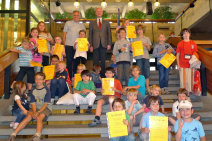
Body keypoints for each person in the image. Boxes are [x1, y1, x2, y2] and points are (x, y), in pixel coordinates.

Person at [9, 72, 51, 141]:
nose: (38, 81)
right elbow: (33, 103)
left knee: (39, 117)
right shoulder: (33, 90)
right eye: (36, 79)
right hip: (35, 108)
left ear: (44, 80)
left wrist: (38, 112)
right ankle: (14, 134)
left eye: (40, 79)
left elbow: (46, 103)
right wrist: (34, 112)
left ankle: (37, 136)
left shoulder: (47, 90)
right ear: (34, 80)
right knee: (28, 116)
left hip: (45, 108)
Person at [89, 7, 112, 76]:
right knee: (95, 62)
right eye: (97, 11)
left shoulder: (107, 22)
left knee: (103, 62)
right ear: (96, 13)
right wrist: (90, 45)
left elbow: (109, 34)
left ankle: (102, 77)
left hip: (104, 44)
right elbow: (90, 35)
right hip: (95, 45)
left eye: (100, 11)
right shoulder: (91, 23)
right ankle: (95, 77)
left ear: (102, 13)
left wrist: (109, 44)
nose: (99, 12)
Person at [63, 10, 86, 78]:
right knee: (69, 63)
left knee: (76, 63)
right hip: (69, 45)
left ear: (79, 16)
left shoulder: (82, 25)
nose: (76, 16)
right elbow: (64, 34)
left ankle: (76, 78)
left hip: (78, 47)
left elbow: (84, 36)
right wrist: (64, 46)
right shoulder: (68, 23)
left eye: (77, 15)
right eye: (74, 15)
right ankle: (69, 78)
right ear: (72, 16)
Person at [176, 28, 197, 95]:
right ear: (182, 35)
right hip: (182, 65)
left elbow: (195, 54)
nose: (186, 34)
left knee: (189, 81)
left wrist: (195, 64)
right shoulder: (180, 43)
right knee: (183, 82)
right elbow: (177, 55)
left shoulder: (193, 43)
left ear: (190, 34)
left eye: (187, 33)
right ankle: (183, 95)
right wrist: (178, 65)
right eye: (184, 33)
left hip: (191, 65)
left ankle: (188, 95)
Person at [133, 24, 151, 91]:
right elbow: (133, 49)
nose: (139, 31)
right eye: (138, 30)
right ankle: (140, 86)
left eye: (140, 29)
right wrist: (132, 49)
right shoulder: (135, 39)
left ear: (143, 30)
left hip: (145, 57)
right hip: (138, 58)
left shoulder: (147, 38)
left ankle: (147, 87)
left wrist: (146, 45)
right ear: (137, 31)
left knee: (147, 72)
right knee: (139, 72)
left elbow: (149, 49)